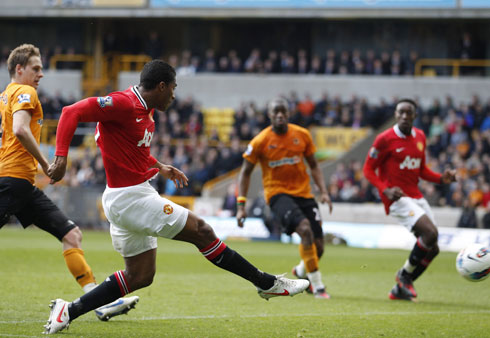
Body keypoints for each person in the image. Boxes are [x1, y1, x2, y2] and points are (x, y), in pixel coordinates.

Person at [43, 60, 309, 334]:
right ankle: (265, 283)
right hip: (129, 197)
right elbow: (70, 112)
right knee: (203, 231)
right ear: (161, 86)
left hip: (131, 194)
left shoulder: (145, 111)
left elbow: (128, 148)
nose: (173, 94)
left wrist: (160, 167)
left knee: (141, 276)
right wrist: (61, 157)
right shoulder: (123, 103)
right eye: (172, 88)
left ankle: (69, 310)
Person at [0, 44, 139, 322]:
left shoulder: (5, 95)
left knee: (71, 234)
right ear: (20, 69)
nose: (41, 74)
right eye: (36, 68)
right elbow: (20, 129)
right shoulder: (25, 92)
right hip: (13, 182)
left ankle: (95, 300)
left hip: (21, 184)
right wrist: (45, 163)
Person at [236, 98, 333, 299]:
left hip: (304, 194)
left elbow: (314, 165)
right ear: (270, 115)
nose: (280, 115)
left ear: (288, 114)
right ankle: (317, 286)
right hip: (278, 194)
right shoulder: (260, 141)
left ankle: (300, 271)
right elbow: (245, 172)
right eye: (275, 112)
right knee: (305, 230)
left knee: (319, 247)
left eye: (283, 112)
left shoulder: (302, 135)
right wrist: (241, 204)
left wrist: (323, 191)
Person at [363, 98, 457, 301]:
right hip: (396, 197)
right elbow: (368, 169)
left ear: (414, 116)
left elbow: (421, 169)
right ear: (396, 115)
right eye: (401, 112)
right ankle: (404, 275)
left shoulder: (420, 136)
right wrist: (385, 189)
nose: (405, 116)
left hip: (415, 195)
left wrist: (442, 178)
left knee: (433, 249)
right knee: (430, 233)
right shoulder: (385, 139)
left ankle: (400, 289)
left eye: (409, 113)